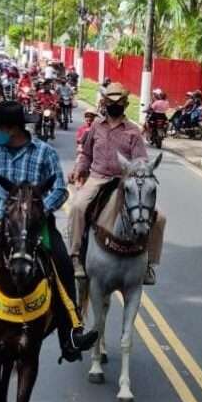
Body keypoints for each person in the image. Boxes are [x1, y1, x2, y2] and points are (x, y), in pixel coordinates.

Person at [0, 101, 98, 361]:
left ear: (13, 129)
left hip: (37, 224)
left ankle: (71, 333)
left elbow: (59, 190)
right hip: (0, 221)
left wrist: (37, 212)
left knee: (62, 263)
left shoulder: (44, 152)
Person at [68, 82, 166, 285]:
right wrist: (79, 169)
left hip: (124, 182)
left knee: (159, 218)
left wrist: (139, 173)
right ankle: (76, 256)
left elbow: (140, 161)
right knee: (77, 207)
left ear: (125, 104)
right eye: (110, 102)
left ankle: (149, 265)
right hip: (98, 177)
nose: (114, 106)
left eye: (118, 102)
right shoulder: (95, 126)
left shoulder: (133, 131)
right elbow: (86, 153)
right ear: (104, 104)